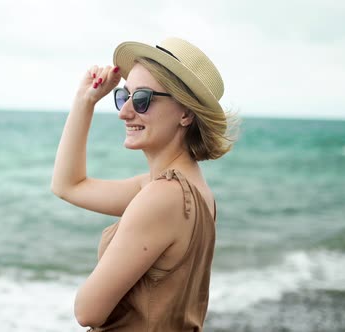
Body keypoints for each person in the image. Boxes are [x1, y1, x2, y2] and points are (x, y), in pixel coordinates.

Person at [50, 37, 236, 331]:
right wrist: (85, 101)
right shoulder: (189, 190)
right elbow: (68, 185)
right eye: (124, 97)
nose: (124, 112)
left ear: (186, 113)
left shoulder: (163, 196)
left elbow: (87, 311)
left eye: (142, 99)